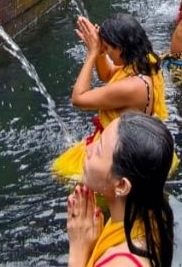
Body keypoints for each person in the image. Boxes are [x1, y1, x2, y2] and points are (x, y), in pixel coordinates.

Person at [53, 14, 168, 182]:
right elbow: (106, 74)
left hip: (119, 156)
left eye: (107, 48)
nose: (106, 52)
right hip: (130, 143)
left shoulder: (131, 87)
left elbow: (78, 98)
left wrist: (92, 54)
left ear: (121, 48)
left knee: (62, 177)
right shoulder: (144, 62)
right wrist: (100, 52)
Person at [66, 113, 175, 267]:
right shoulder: (153, 220)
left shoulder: (122, 263)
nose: (88, 149)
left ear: (122, 186)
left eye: (98, 150)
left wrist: (78, 252)